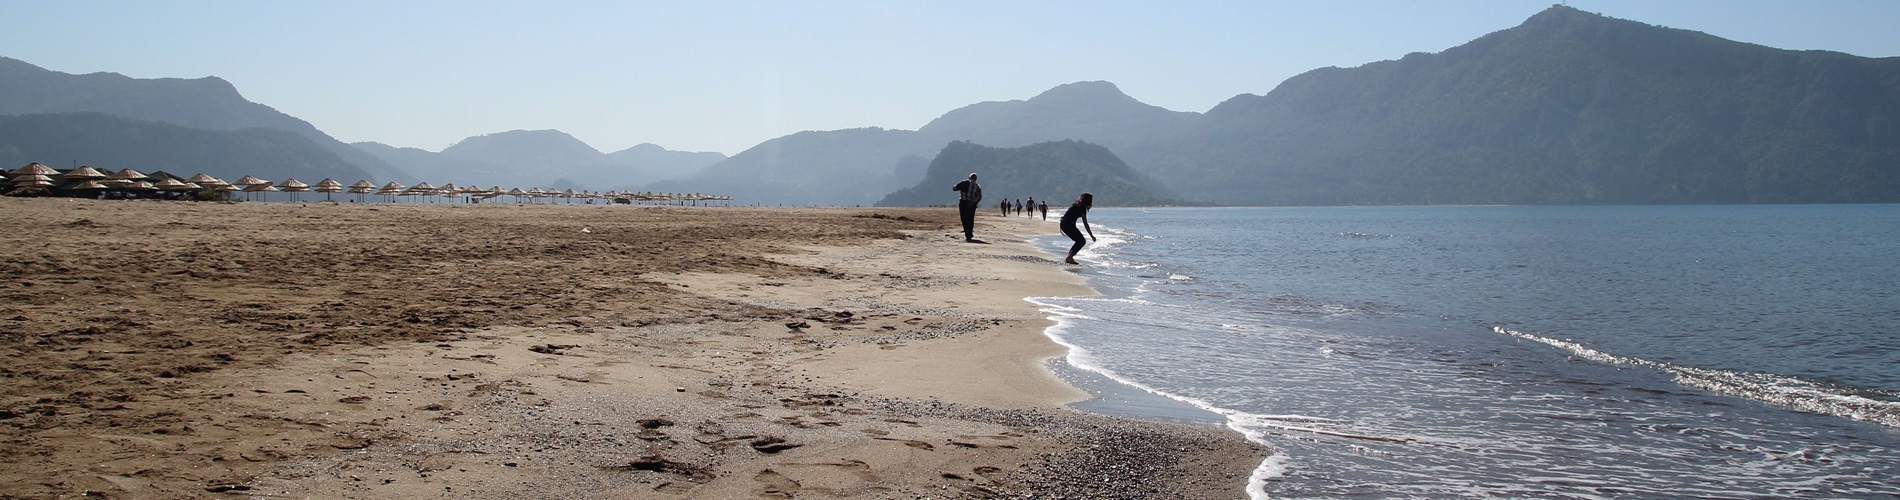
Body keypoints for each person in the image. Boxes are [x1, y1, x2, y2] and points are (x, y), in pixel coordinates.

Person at [1060, 192, 1095, 265]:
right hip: (1068, 224)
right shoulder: (1082, 207)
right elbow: (1085, 223)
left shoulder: (1077, 204)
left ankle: (1070, 257)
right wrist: (1091, 235)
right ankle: (1069, 257)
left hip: (1064, 223)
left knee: (1079, 240)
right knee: (1081, 241)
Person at [953, 173, 983, 241]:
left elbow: (954, 188)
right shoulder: (977, 186)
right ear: (976, 179)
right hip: (972, 204)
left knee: (964, 219)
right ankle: (970, 233)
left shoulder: (964, 183)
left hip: (963, 202)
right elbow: (979, 197)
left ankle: (967, 234)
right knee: (970, 219)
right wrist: (973, 202)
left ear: (969, 177)